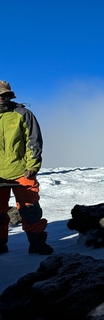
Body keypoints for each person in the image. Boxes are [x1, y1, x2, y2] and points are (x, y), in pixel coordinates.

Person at [0, 81, 53, 255]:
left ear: (10, 95)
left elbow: (34, 141)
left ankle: (37, 242)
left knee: (30, 208)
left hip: (22, 171)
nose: (2, 98)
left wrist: (32, 164)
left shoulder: (23, 114)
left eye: (5, 94)